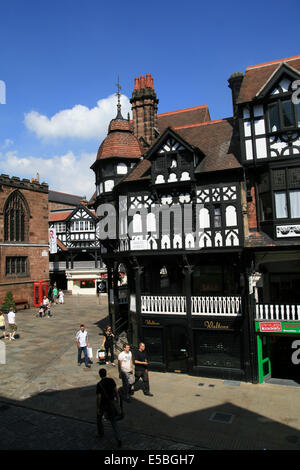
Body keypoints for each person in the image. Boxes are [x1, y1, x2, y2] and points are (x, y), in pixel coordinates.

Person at [96, 368, 122, 448]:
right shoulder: (111, 380)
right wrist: (117, 400)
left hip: (104, 404)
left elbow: (99, 397)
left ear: (100, 375)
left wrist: (98, 407)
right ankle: (118, 439)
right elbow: (116, 391)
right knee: (114, 422)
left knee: (99, 418)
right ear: (106, 373)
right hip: (111, 403)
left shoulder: (99, 384)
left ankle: (101, 433)